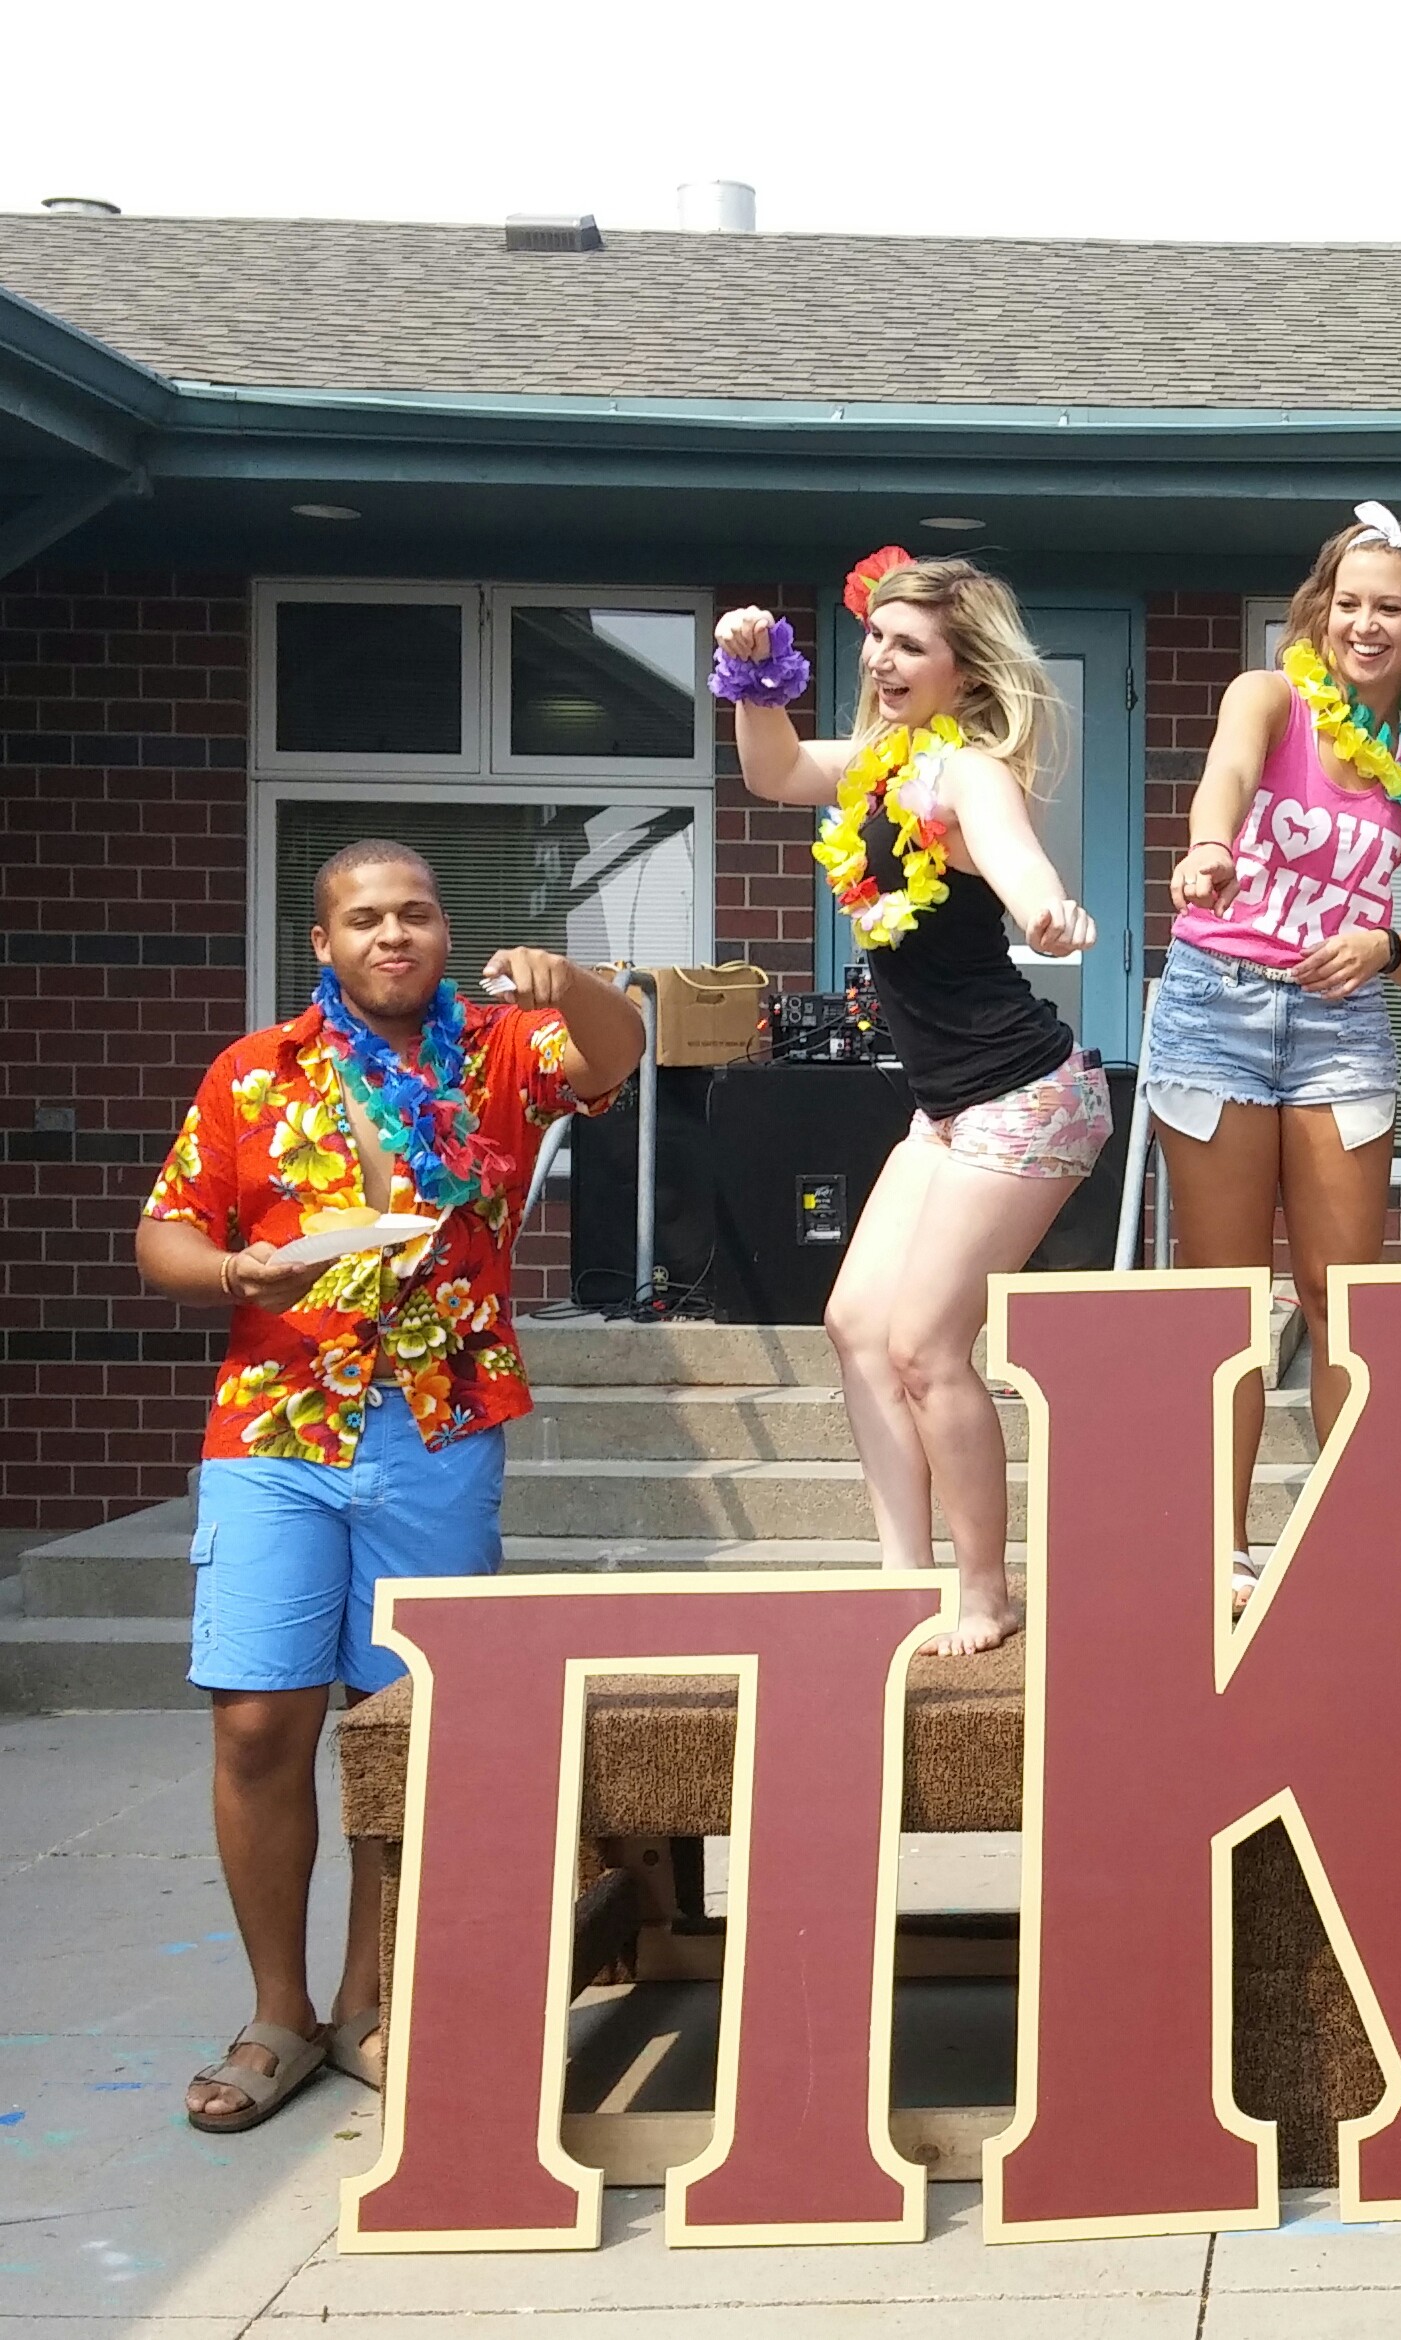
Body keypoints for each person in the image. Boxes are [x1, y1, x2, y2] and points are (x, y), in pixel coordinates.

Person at [137, 843, 645, 2131]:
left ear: (442, 927)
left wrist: (566, 976)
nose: (394, 935)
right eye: (364, 919)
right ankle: (276, 2012)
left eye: (416, 912)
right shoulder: (255, 1075)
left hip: (439, 1426)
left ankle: (370, 2002)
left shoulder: (500, 1052)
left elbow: (621, 1051)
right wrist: (237, 1275)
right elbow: (165, 1232)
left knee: (400, 1734)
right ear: (324, 943)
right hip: (277, 1428)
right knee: (258, 1721)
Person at [717, 552, 1107, 1658]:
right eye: (876, 640)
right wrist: (754, 679)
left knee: (928, 1343)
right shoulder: (880, 765)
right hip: (942, 1109)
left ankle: (985, 1588)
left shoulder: (967, 773)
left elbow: (1018, 862)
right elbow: (774, 771)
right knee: (856, 1326)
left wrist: (1047, 915)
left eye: (911, 645)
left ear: (963, 669)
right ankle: (903, 1578)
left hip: (1024, 1095)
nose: (883, 659)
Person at [1144, 502, 1401, 1605]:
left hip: (1342, 1029)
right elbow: (1226, 775)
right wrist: (1212, 848)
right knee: (1222, 1296)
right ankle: (1222, 1542)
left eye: (1387, 608)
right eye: (1346, 603)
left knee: (1340, 1296)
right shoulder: (1271, 695)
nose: (1363, 623)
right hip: (1216, 1005)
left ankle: (1356, 1544)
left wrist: (1384, 942)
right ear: (1322, 609)